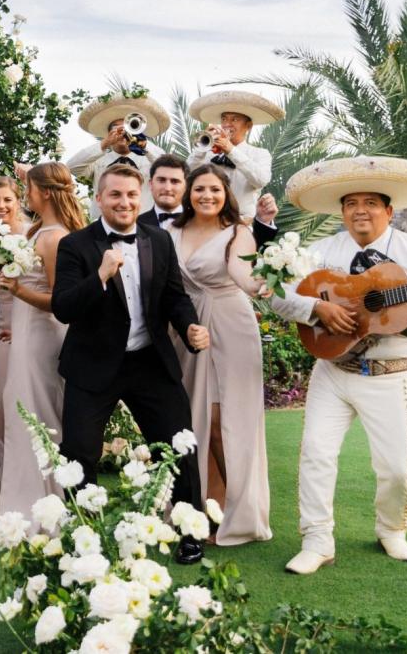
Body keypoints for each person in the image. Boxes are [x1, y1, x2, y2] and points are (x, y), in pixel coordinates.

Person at [271, 156, 407, 574]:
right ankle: (317, 540)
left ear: (389, 211)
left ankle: (392, 529)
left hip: (393, 376)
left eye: (371, 202)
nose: (361, 210)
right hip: (334, 372)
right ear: (341, 212)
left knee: (396, 469)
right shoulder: (319, 252)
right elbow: (276, 294)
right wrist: (315, 307)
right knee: (317, 454)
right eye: (352, 202)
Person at [50, 163, 210, 564]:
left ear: (143, 199)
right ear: (99, 199)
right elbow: (63, 307)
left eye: (131, 195)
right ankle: (84, 537)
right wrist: (100, 276)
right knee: (80, 454)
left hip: (149, 362)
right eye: (116, 195)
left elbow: (175, 296)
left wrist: (189, 326)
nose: (124, 202)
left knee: (178, 446)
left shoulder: (158, 240)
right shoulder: (75, 244)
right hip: (93, 365)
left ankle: (189, 530)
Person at [169, 164, 272, 545]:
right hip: (187, 330)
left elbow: (241, 274)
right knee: (194, 421)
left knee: (225, 422)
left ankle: (238, 512)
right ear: (188, 193)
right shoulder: (171, 231)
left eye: (214, 189)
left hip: (231, 326)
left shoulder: (238, 232)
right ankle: (202, 508)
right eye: (199, 189)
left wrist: (262, 284)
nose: (206, 196)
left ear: (225, 193)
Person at [0, 162, 84, 514]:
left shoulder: (54, 238)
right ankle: (24, 501)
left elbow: (61, 301)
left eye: (29, 188)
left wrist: (17, 290)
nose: (25, 194)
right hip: (26, 333)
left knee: (36, 414)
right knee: (20, 410)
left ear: (44, 192)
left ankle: (44, 504)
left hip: (43, 337)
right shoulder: (37, 230)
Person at [140, 155, 282, 248]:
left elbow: (247, 253)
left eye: (175, 181)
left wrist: (263, 222)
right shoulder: (136, 225)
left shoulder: (209, 220)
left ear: (185, 185)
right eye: (161, 180)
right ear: (151, 184)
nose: (168, 187)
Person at [66, 93, 170, 218]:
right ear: (108, 133)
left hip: (142, 227)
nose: (122, 132)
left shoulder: (149, 160)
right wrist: (104, 144)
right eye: (116, 128)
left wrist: (144, 145)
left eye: (127, 127)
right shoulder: (98, 160)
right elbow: (72, 167)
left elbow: (168, 167)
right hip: (102, 227)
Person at [187, 89, 283, 222]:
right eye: (224, 119)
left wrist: (231, 150)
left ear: (248, 126)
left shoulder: (260, 154)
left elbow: (261, 180)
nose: (227, 124)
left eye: (235, 119)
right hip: (207, 221)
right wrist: (201, 149)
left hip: (242, 223)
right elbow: (187, 173)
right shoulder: (207, 154)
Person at [0, 175, 30, 463]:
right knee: (1, 400)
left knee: (23, 401)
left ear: (18, 201)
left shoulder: (29, 234)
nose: (1, 205)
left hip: (24, 328)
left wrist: (24, 327)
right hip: (0, 330)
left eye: (7, 199)